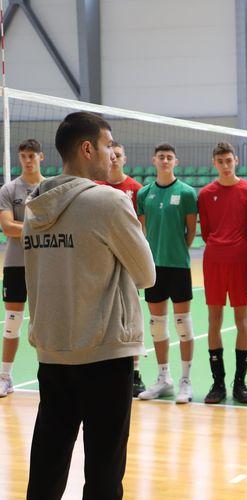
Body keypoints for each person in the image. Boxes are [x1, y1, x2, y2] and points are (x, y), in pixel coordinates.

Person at [24, 111, 155, 499]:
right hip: (103, 353)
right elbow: (146, 274)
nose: (112, 153)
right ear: (87, 149)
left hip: (53, 352)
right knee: (103, 472)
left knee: (47, 466)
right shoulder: (109, 202)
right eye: (107, 145)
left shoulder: (35, 205)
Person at [137, 144, 198, 404]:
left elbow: (191, 231)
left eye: (169, 157)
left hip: (178, 266)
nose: (164, 161)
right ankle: (164, 378)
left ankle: (186, 380)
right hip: (154, 268)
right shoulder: (144, 193)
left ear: (176, 161)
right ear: (154, 160)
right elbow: (143, 229)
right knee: (157, 325)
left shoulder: (186, 193)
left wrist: (177, 251)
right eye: (161, 157)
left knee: (183, 324)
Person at [198, 142, 247, 404]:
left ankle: (240, 383)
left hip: (240, 261)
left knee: (242, 320)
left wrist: (240, 247)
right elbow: (207, 231)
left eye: (228, 160)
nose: (225, 165)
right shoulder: (205, 194)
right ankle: (218, 383)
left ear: (236, 161)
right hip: (214, 260)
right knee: (214, 320)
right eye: (220, 161)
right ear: (214, 163)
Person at [96, 141, 145, 396]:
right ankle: (102, 368)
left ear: (125, 158)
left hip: (127, 262)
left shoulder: (136, 189)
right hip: (101, 263)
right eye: (110, 154)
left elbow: (141, 230)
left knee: (130, 316)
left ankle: (135, 373)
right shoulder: (96, 187)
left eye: (118, 155)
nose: (114, 158)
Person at [0, 139, 45, 397]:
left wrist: (23, 227)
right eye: (24, 156)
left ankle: (49, 376)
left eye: (32, 155)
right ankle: (5, 376)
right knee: (12, 322)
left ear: (41, 157)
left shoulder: (50, 188)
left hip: (44, 263)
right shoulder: (9, 189)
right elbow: (7, 227)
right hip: (16, 264)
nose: (28, 160)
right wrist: (38, 228)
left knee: (45, 322)